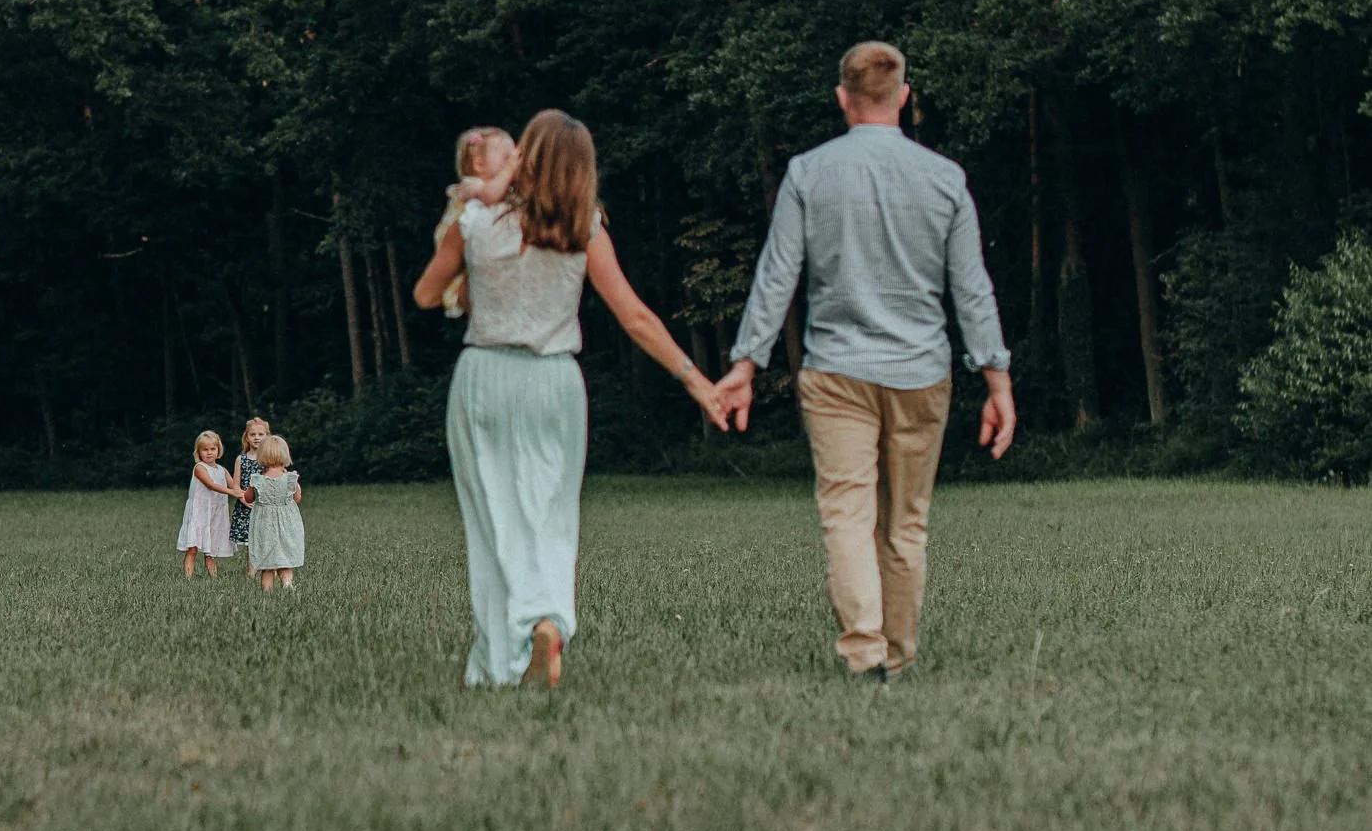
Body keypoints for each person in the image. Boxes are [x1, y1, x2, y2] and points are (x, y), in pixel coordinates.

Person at [717, 41, 1015, 682]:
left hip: (837, 373)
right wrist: (997, 380)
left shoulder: (808, 173)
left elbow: (777, 278)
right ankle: (899, 656)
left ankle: (863, 653)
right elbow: (971, 287)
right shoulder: (944, 178)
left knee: (847, 515)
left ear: (842, 98)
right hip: (921, 374)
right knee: (906, 524)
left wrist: (745, 364)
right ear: (904, 97)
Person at [415, 107, 728, 690]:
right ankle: (546, 619)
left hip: (484, 375)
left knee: (492, 522)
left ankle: (497, 662)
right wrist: (697, 381)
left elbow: (427, 293)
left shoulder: (476, 222)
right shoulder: (586, 227)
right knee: (551, 517)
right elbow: (634, 316)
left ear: (526, 156)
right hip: (556, 383)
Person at [433, 126, 518, 319]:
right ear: (479, 165)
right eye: (507, 159)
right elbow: (489, 197)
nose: (514, 164)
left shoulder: (500, 189)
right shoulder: (474, 185)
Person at [247, 433, 304, 592]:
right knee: (284, 560)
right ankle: (287, 584)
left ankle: (267, 593)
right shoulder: (291, 478)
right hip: (287, 525)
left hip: (265, 525)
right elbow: (297, 498)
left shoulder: (257, 479)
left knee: (267, 565)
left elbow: (248, 498)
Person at [178, 430, 235, 578]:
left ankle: (214, 578)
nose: (209, 453)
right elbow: (211, 485)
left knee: (211, 551)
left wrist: (245, 494)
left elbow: (235, 485)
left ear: (218, 450)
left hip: (215, 513)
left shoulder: (222, 470)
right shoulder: (199, 468)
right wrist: (232, 492)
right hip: (200, 511)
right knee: (193, 548)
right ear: (199, 452)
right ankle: (188, 578)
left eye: (212, 449)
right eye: (205, 449)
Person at [232, 415, 269, 571]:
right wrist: (244, 499)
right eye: (252, 434)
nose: (257, 438)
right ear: (246, 437)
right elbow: (235, 486)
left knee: (267, 540)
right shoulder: (241, 459)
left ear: (267, 436)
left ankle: (270, 570)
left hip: (266, 506)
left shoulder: (269, 459)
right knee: (251, 542)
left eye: (261, 434)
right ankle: (251, 572)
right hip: (247, 506)